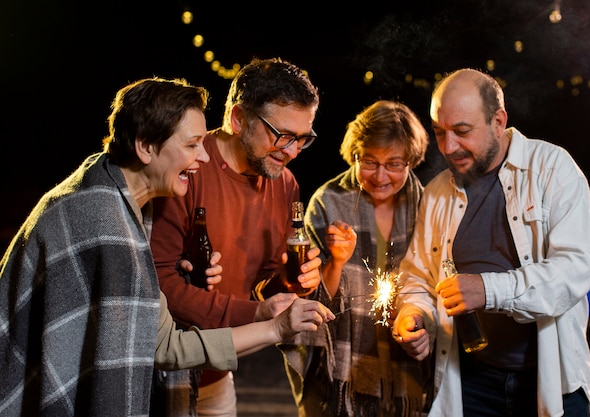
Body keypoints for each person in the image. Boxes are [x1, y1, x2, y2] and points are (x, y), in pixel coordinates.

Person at [0, 77, 334, 417]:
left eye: (302, 139)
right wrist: (271, 325)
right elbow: (164, 347)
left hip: (210, 376)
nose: (204, 157)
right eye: (193, 145)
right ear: (146, 146)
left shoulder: (108, 188)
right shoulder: (109, 223)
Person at [393, 68, 590, 416]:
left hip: (550, 382)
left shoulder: (554, 168)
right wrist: (413, 313)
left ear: (498, 121)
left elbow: (573, 271)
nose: (448, 147)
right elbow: (417, 277)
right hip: (469, 383)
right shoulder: (438, 191)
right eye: (440, 132)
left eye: (462, 131)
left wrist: (488, 290)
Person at [149, 57, 322, 416]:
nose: (291, 152)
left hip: (220, 375)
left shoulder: (284, 182)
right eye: (283, 135)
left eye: (303, 139)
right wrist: (257, 312)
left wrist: (294, 284)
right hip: (165, 372)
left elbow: (264, 284)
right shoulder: (187, 169)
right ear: (238, 118)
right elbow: (159, 284)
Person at [279, 100, 431, 416]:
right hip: (342, 367)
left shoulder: (427, 205)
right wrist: (335, 261)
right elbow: (310, 299)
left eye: (394, 164)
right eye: (370, 162)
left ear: (411, 161)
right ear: (355, 154)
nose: (380, 176)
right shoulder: (328, 203)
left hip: (408, 364)